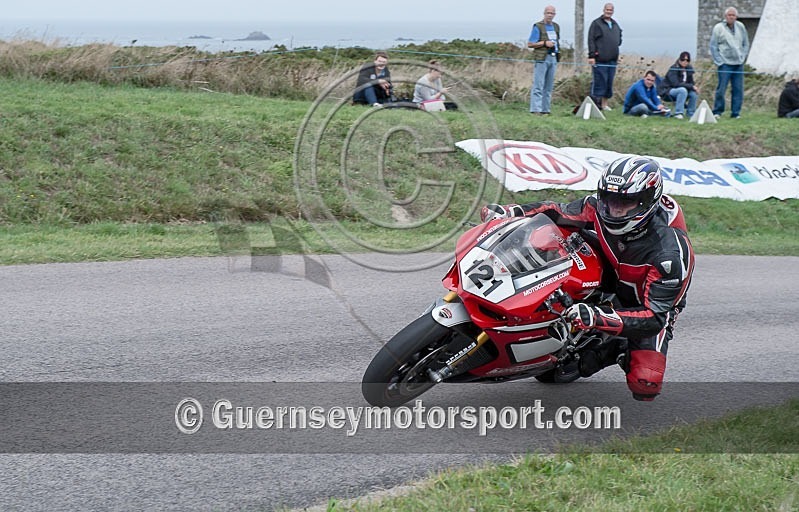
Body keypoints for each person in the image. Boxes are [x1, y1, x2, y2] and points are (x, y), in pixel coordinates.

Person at [480, 156, 695, 401]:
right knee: (552, 236)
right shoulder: (598, 207)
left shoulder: (669, 255)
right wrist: (511, 212)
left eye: (626, 202)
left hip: (644, 299)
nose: (615, 209)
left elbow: (655, 317)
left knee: (646, 383)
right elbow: (556, 211)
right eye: (609, 199)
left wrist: (598, 317)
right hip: (611, 261)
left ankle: (615, 348)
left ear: (647, 202)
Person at [709, 6, 750, 119]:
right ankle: (717, 111)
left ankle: (735, 113)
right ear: (725, 16)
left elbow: (746, 43)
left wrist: (743, 56)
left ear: (736, 17)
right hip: (725, 64)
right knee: (721, 89)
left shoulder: (740, 26)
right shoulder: (718, 28)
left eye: (733, 15)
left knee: (738, 89)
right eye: (729, 15)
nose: (731, 17)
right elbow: (713, 46)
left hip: (738, 64)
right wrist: (719, 61)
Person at [588, 3, 622, 111]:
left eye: (611, 10)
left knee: (608, 83)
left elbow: (619, 39)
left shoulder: (615, 24)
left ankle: (604, 104)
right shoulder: (596, 23)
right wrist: (591, 56)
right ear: (603, 10)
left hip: (612, 60)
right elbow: (591, 40)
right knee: (599, 82)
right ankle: (595, 104)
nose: (609, 11)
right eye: (607, 9)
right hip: (600, 59)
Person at [527, 5, 560, 115]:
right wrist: (544, 43)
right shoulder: (538, 26)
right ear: (544, 13)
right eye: (548, 13)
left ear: (554, 14)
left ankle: (546, 109)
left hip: (553, 57)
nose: (550, 15)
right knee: (539, 85)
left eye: (552, 13)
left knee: (549, 86)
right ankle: (536, 109)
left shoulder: (556, 26)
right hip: (542, 58)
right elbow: (530, 44)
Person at [659, 51, 699, 119]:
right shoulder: (674, 68)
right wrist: (691, 86)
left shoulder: (689, 69)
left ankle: (691, 114)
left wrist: (693, 88)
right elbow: (676, 84)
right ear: (679, 59)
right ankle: (679, 113)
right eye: (683, 59)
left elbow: (691, 82)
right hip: (669, 90)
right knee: (682, 90)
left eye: (687, 60)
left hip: (684, 90)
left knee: (693, 94)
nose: (685, 62)